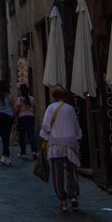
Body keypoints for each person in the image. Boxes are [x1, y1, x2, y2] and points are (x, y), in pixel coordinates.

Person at [39, 84, 81, 212]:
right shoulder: (70, 109)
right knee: (72, 170)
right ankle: (73, 196)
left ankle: (62, 201)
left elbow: (46, 126)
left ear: (54, 96)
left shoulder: (51, 108)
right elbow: (76, 126)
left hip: (56, 142)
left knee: (57, 173)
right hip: (70, 141)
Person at [15, 82, 37, 158]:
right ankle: (34, 151)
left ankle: (23, 152)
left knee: (22, 136)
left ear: (20, 91)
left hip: (22, 118)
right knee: (31, 135)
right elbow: (34, 108)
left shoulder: (19, 99)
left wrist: (16, 118)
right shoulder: (32, 99)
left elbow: (17, 110)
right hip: (30, 118)